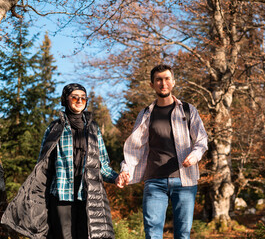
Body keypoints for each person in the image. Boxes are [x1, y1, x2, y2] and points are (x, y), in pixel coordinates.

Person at [1, 83, 122, 239]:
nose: (80, 100)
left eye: (83, 98)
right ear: (65, 99)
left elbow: (102, 165)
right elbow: (43, 165)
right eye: (75, 97)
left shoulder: (93, 129)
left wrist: (116, 177)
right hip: (61, 195)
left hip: (88, 195)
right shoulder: (55, 128)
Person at [118, 64, 208, 239]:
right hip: (154, 183)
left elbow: (202, 140)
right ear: (152, 84)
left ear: (173, 82)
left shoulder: (188, 110)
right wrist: (125, 170)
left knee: (183, 234)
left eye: (167, 79)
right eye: (158, 80)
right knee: (152, 234)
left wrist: (195, 156)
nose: (163, 83)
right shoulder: (145, 114)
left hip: (185, 182)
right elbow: (135, 148)